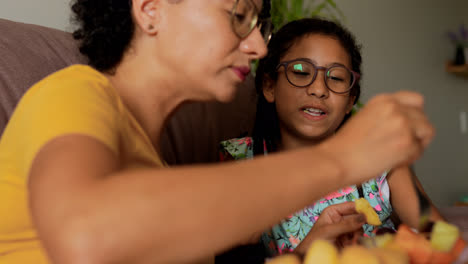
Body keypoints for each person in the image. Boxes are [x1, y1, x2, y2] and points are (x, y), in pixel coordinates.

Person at [0, 0, 434, 263]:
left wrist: (305, 255)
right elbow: (85, 235)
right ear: (151, 8)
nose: (259, 47)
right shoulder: (73, 94)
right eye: (240, 15)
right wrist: (341, 159)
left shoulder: (154, 166)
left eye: (259, 25)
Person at [220, 18, 443, 257]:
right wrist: (305, 253)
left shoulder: (382, 162)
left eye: (336, 78)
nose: (318, 89)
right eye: (301, 72)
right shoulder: (239, 162)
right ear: (269, 85)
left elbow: (441, 238)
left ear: (349, 100)